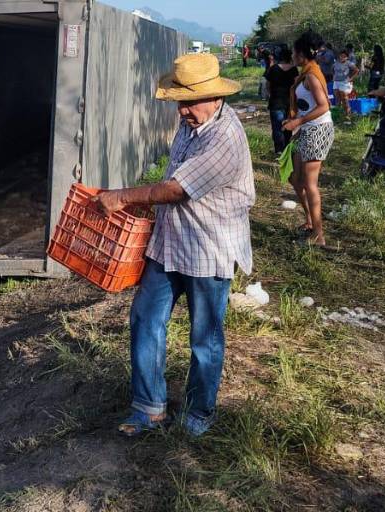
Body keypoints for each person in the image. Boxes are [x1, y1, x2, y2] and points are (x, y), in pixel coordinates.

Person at [93, 53, 255, 437]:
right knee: (145, 319)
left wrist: (122, 197)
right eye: (179, 102)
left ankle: (199, 412)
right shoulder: (193, 123)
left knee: (205, 337)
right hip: (169, 242)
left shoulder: (225, 139)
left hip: (208, 249)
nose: (183, 111)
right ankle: (149, 408)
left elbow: (175, 189)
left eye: (190, 101)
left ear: (216, 98)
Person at [282, 30, 334, 247]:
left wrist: (298, 122)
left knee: (310, 184)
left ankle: (318, 235)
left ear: (302, 54)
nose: (292, 55)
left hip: (317, 130)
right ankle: (310, 221)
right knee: (294, 179)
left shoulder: (311, 75)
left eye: (294, 52)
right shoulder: (305, 73)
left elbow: (324, 106)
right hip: (306, 129)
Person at [264, 46, 299, 153]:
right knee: (288, 125)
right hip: (290, 102)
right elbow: (297, 85)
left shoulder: (273, 69)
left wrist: (271, 94)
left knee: (277, 127)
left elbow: (267, 85)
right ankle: (287, 148)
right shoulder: (294, 69)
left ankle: (279, 150)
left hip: (276, 102)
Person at [332, 50, 359, 122]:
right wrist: (333, 77)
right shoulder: (335, 63)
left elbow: (357, 70)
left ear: (347, 57)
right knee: (337, 99)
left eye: (344, 56)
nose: (342, 57)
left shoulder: (349, 63)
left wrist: (351, 79)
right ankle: (338, 116)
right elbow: (333, 71)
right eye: (341, 56)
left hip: (344, 83)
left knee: (344, 99)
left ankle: (348, 116)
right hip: (336, 82)